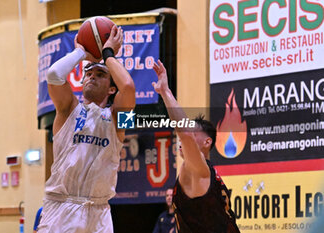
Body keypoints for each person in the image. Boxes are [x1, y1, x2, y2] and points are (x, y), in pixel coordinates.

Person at [38, 25, 135, 233]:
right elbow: (54, 74)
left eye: (100, 74)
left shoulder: (120, 120)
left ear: (111, 88)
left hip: (100, 212)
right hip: (61, 207)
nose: (92, 76)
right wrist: (81, 53)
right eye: (89, 73)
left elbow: (128, 87)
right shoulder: (67, 110)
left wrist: (108, 53)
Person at [152, 60, 240, 233]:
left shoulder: (199, 169)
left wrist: (165, 91)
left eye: (194, 134)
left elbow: (184, 134)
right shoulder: (203, 173)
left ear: (207, 142)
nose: (187, 139)